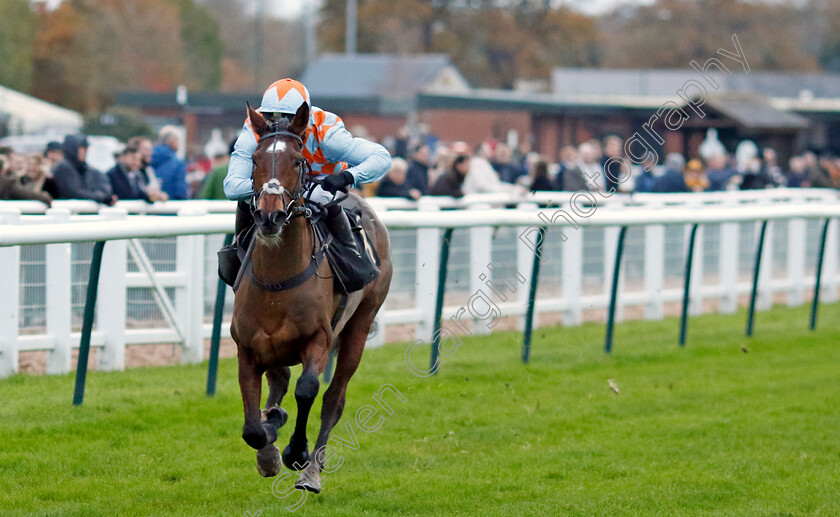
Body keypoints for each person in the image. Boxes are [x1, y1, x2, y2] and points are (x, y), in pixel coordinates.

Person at [223, 78, 391, 268]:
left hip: (320, 183)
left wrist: (348, 176)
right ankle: (238, 253)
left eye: (286, 118)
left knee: (322, 196)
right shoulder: (255, 127)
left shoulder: (328, 132)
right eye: (271, 117)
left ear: (303, 118)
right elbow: (232, 187)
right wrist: (272, 188)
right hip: (277, 187)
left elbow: (381, 157)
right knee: (246, 199)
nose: (278, 125)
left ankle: (351, 257)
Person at [52, 134, 115, 204]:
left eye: (85, 148)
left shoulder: (84, 168)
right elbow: (73, 192)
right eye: (81, 148)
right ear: (72, 149)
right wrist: (100, 197)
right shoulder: (64, 168)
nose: (85, 152)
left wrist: (102, 196)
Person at [150, 126, 188, 200]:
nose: (179, 144)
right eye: (177, 140)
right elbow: (180, 191)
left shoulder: (148, 158)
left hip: (149, 206)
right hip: (170, 206)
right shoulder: (177, 163)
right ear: (171, 140)